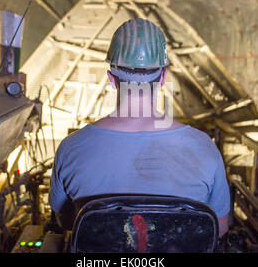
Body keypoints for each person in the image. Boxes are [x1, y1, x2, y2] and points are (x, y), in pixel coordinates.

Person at [49, 18, 230, 237]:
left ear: (111, 79)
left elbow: (67, 222)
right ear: (163, 77)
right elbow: (218, 229)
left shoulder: (71, 148)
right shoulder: (204, 148)